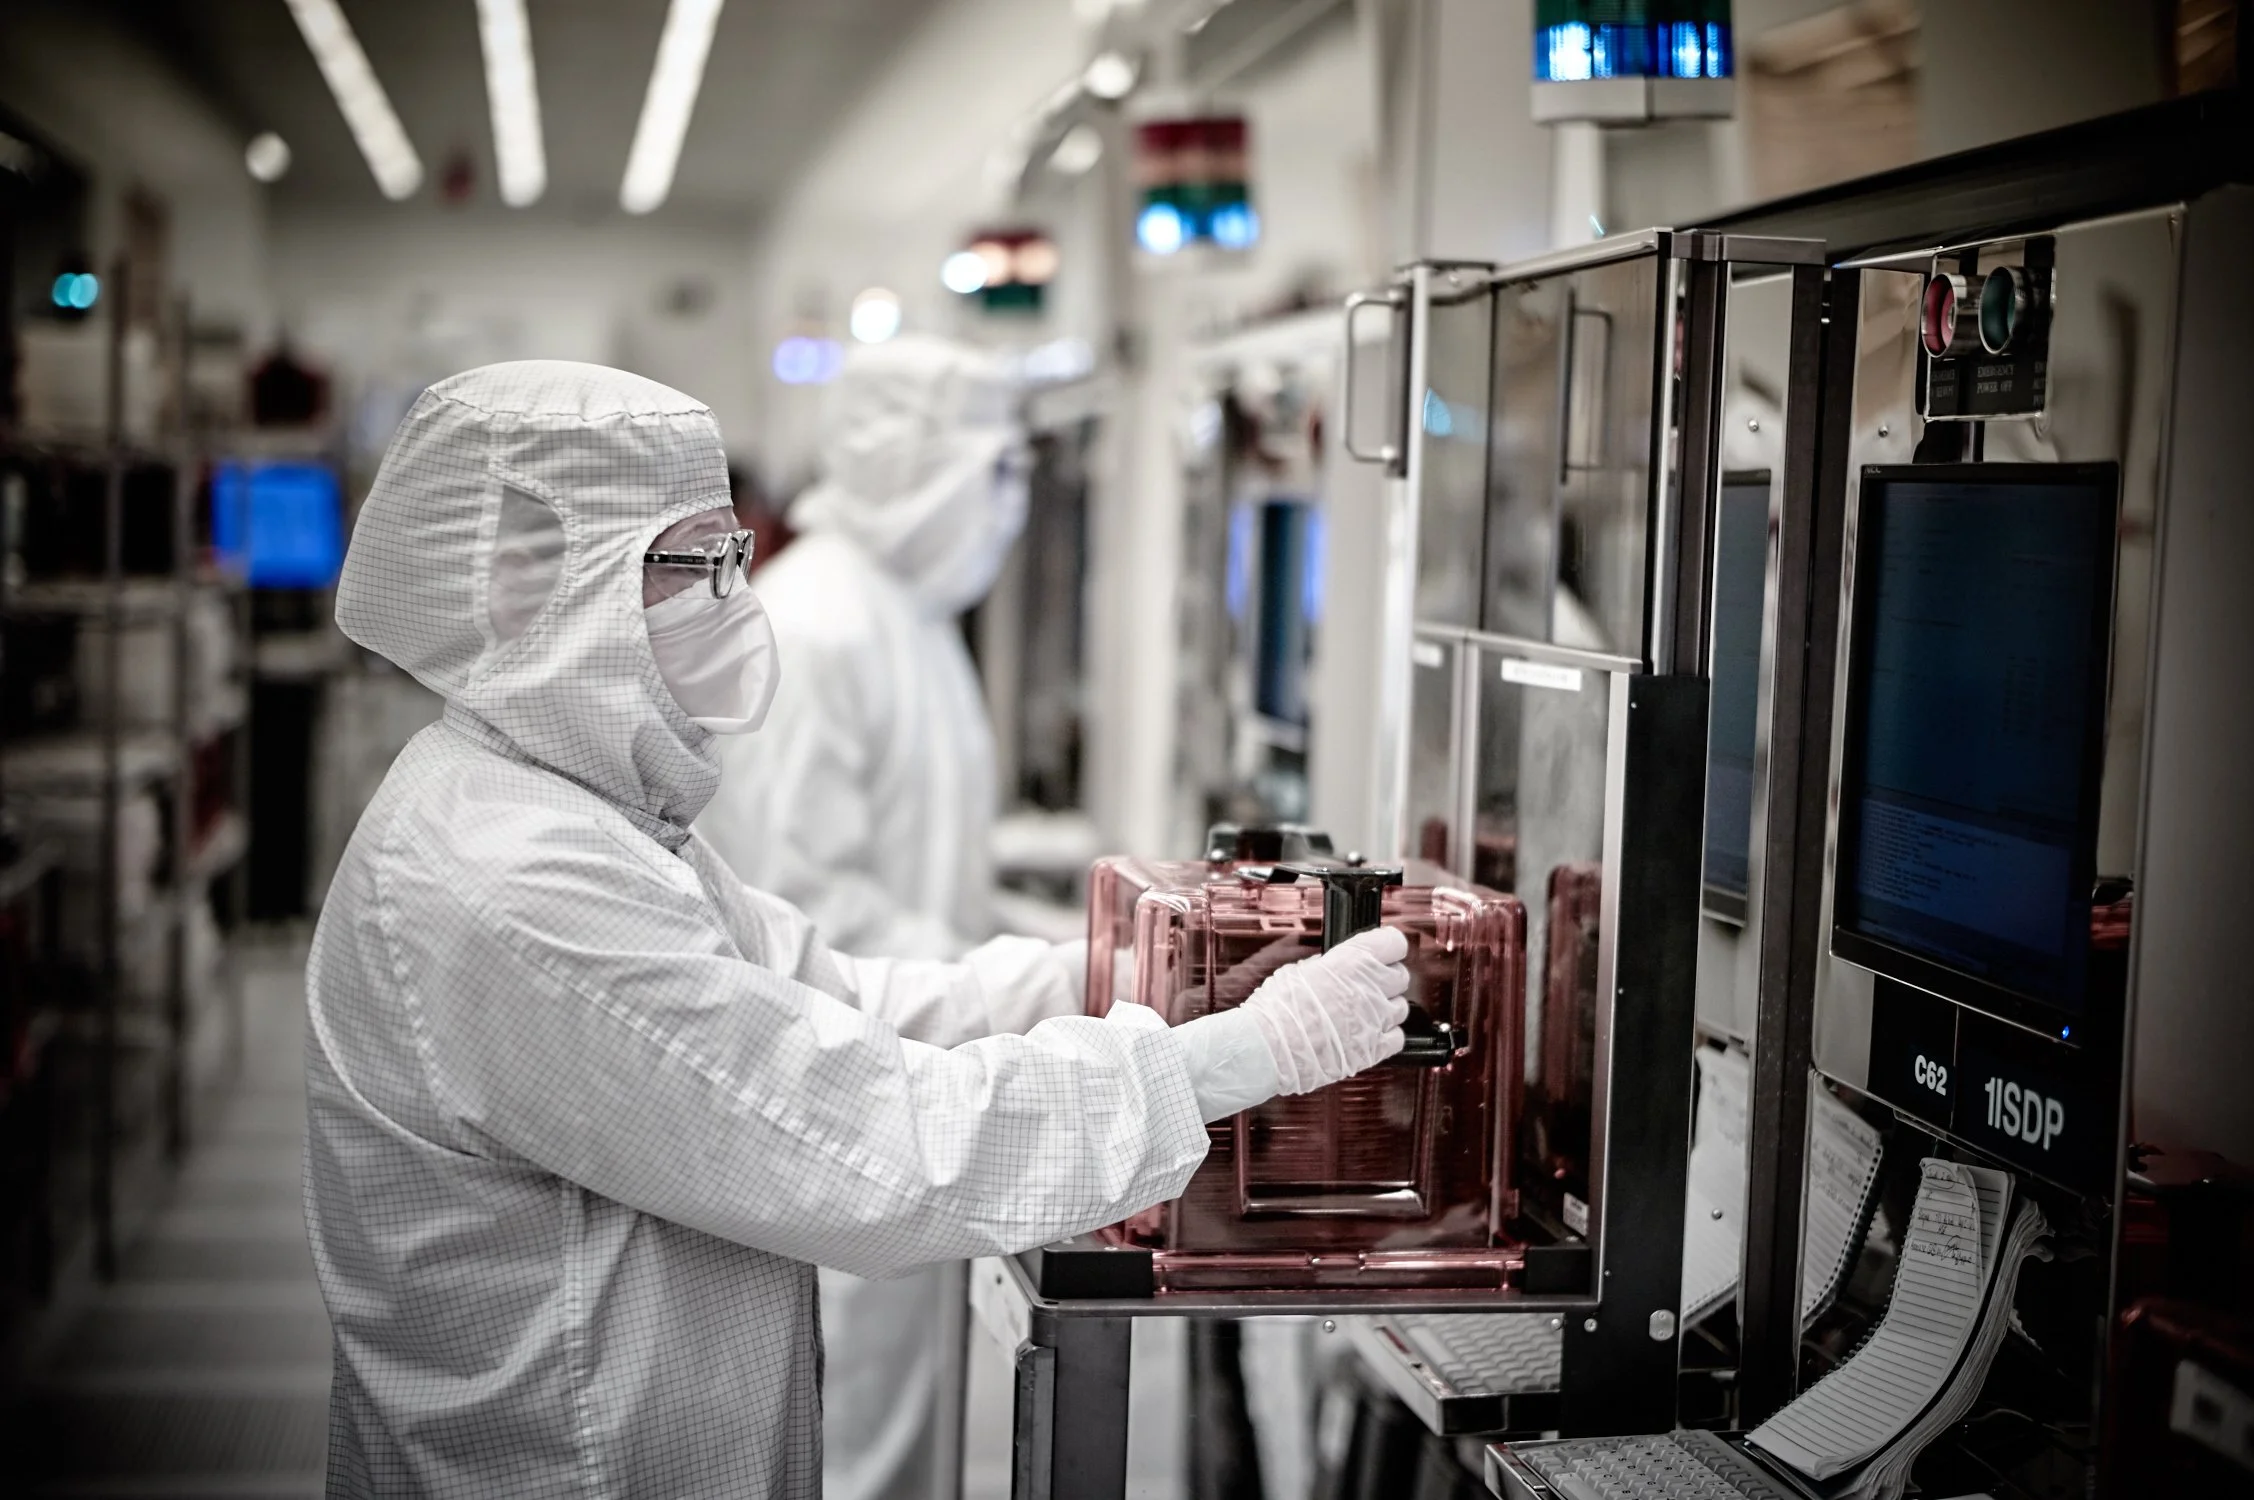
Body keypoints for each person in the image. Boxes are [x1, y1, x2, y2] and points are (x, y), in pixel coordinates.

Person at [303, 360, 1412, 1498]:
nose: (736, 600)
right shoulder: (513, 880)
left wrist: (1122, 974)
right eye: (698, 565)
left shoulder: (577, 818)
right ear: (561, 586)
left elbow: (839, 1000)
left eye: (733, 557)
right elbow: (881, 1140)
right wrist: (1246, 1054)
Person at [695, 335, 1028, 1500]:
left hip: (910, 1091)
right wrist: (1032, 980)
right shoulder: (817, 620)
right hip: (837, 1107)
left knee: (901, 1428)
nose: (1009, 504)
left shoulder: (909, 615)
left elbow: (915, 861)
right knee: (848, 1443)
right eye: (997, 471)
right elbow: (809, 909)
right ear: (924, 466)